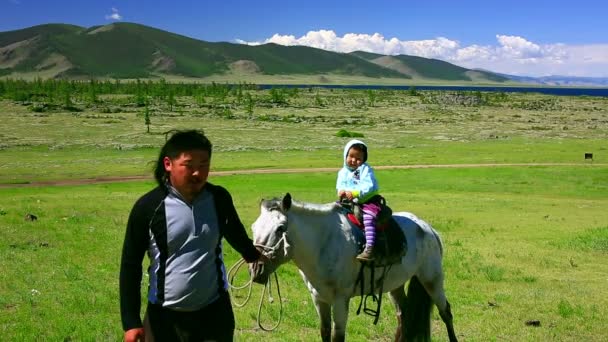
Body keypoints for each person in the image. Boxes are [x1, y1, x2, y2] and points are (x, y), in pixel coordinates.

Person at [119, 129, 265, 342]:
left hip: (214, 314)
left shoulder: (219, 199)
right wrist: (131, 322)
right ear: (168, 164)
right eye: (189, 166)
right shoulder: (148, 208)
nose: (197, 173)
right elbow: (130, 265)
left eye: (204, 165)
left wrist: (253, 254)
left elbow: (234, 232)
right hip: (164, 318)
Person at [336, 139, 381, 262]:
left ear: (364, 160)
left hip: (367, 200)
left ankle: (370, 248)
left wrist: (355, 193)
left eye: (358, 158)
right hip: (348, 201)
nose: (354, 160)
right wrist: (341, 191)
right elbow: (340, 185)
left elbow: (369, 185)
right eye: (351, 156)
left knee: (368, 217)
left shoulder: (365, 170)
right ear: (345, 155)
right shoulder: (342, 172)